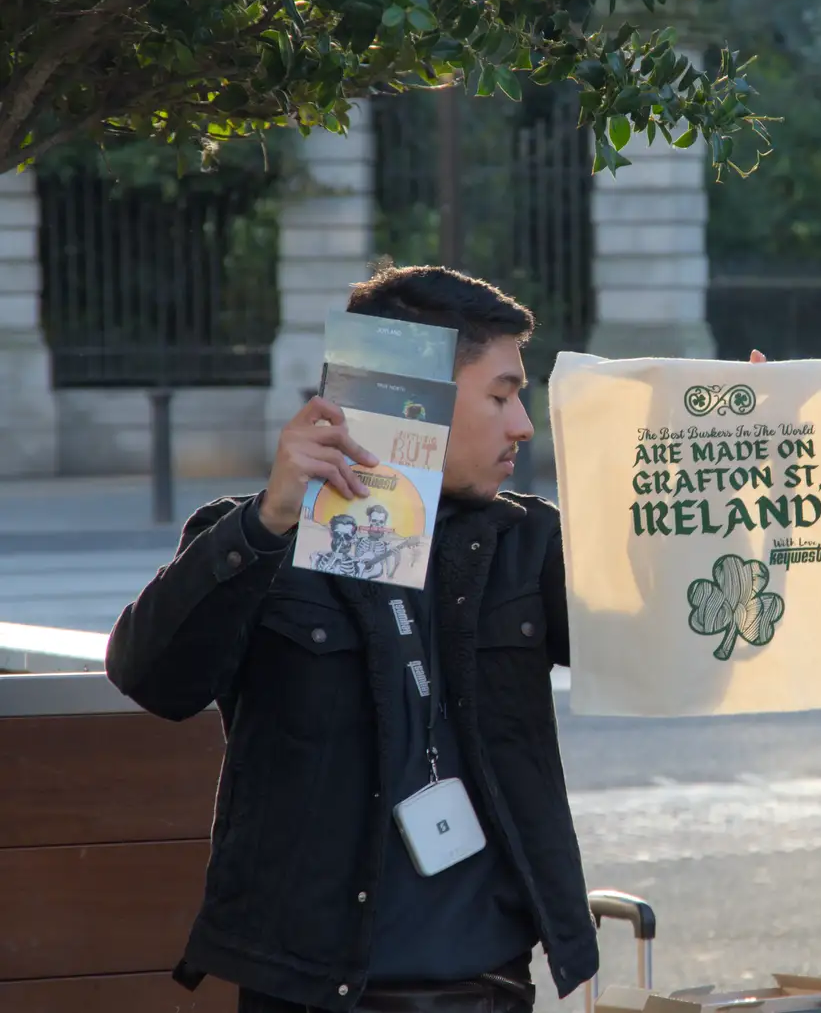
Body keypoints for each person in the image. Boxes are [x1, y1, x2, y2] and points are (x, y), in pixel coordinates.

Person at [105, 263, 765, 1013]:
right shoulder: (263, 540)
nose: (523, 423)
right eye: (501, 395)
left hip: (483, 987)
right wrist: (266, 522)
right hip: (315, 990)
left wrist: (718, 483)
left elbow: (688, 654)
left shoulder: (525, 542)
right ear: (415, 401)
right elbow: (151, 677)